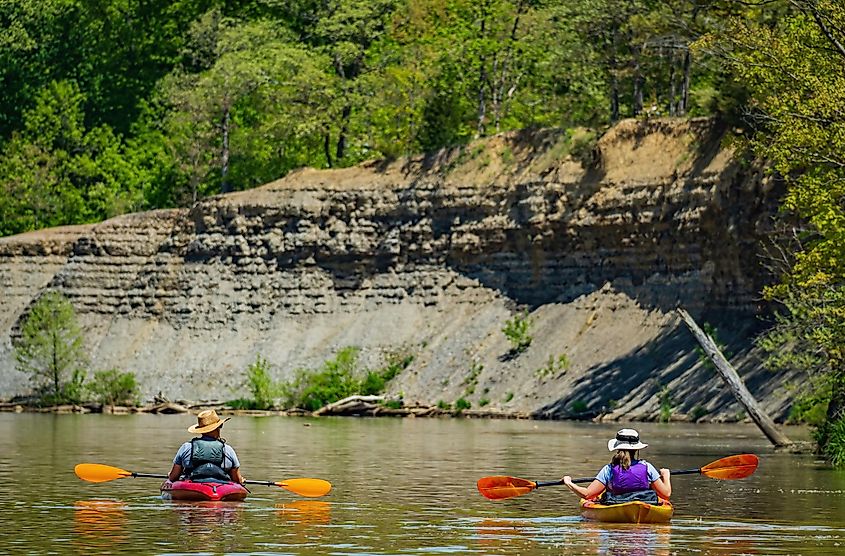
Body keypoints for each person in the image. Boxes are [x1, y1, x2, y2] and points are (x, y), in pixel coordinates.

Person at [562, 428, 671, 504]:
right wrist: (666, 475)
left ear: (617, 447)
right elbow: (666, 494)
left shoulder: (609, 469)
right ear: (637, 449)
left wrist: (569, 483)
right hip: (644, 503)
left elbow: (587, 495)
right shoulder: (648, 467)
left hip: (616, 505)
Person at [167, 409, 245, 484]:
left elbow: (173, 477)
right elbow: (236, 479)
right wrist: (241, 480)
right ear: (217, 428)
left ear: (201, 430)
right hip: (221, 488)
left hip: (192, 487)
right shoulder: (228, 450)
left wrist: (170, 475)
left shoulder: (186, 447)